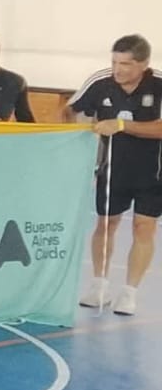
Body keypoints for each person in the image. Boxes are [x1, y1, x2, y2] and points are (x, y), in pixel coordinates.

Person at [68, 34, 162, 315]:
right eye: (115, 62)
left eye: (127, 64)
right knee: (105, 225)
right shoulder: (100, 82)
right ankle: (99, 285)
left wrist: (122, 125)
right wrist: (78, 135)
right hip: (113, 170)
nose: (118, 69)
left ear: (144, 64)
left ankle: (130, 292)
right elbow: (70, 110)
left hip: (153, 173)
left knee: (143, 228)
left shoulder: (159, 84)